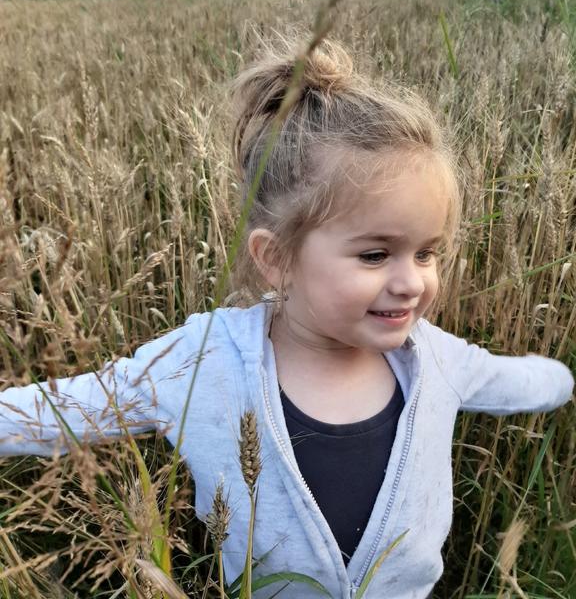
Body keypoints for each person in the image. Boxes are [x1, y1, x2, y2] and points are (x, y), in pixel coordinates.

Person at [0, 40, 573, 599]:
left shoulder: (436, 360)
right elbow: (75, 406)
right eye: (376, 255)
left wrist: (564, 378)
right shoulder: (205, 364)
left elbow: (520, 379)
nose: (412, 282)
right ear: (277, 259)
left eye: (427, 253)